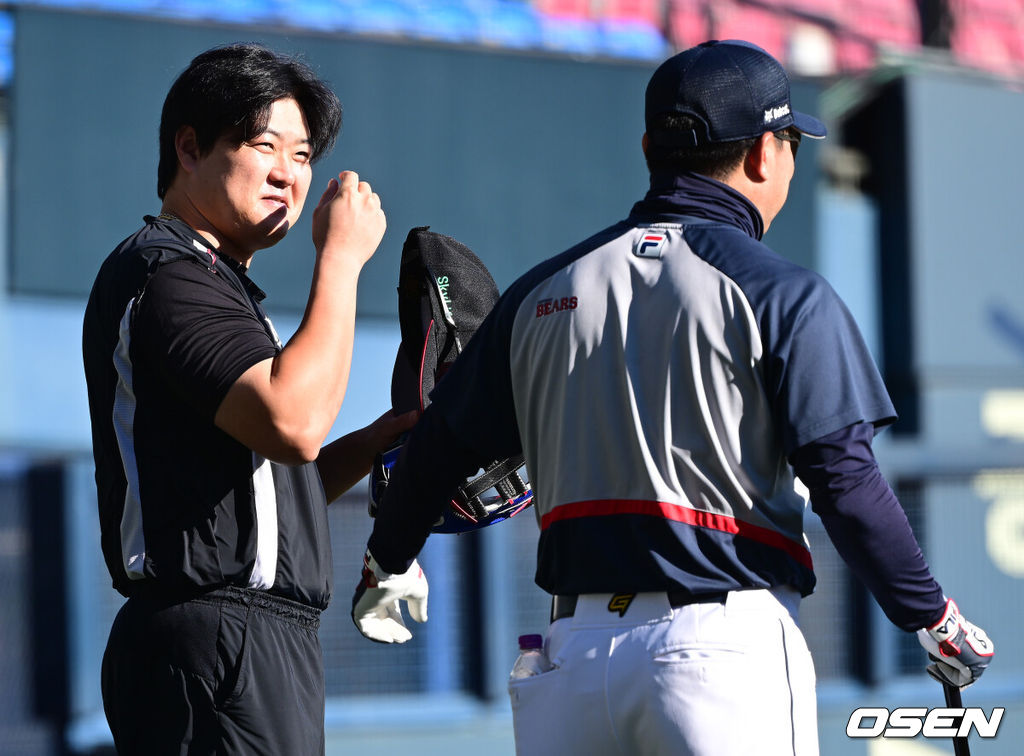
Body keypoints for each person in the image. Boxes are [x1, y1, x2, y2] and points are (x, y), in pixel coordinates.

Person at [350, 40, 994, 754]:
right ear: (761, 157)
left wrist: (389, 557)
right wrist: (930, 617)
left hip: (568, 662)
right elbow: (844, 480)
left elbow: (438, 445)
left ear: (651, 147)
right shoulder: (782, 292)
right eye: (788, 141)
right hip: (718, 651)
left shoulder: (543, 289)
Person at [82, 43, 415, 755]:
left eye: (301, 156)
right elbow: (292, 423)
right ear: (190, 147)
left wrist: (383, 436)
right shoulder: (168, 270)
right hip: (218, 637)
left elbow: (270, 496)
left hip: (252, 639)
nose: (288, 175)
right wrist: (342, 257)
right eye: (265, 145)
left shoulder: (214, 280)